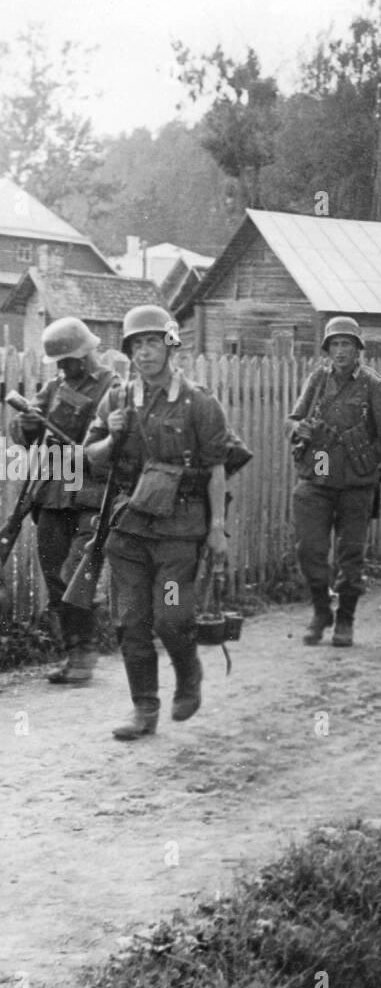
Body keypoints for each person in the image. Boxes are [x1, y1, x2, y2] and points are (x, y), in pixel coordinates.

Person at [83, 305, 232, 740]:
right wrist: (111, 436)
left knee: (170, 616)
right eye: (137, 345)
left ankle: (188, 676)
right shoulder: (117, 398)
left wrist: (217, 526)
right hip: (129, 531)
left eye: (152, 343)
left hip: (178, 532)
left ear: (169, 347)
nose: (145, 353)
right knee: (130, 621)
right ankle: (143, 709)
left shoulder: (199, 402)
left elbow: (218, 468)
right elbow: (90, 457)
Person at [8, 318, 116, 685]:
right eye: (61, 362)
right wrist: (29, 423)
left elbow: (113, 441)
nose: (64, 368)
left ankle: (86, 650)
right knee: (54, 575)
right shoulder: (55, 386)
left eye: (69, 361)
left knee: (77, 573)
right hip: (52, 494)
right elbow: (24, 436)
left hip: (91, 496)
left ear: (86, 354)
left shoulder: (112, 387)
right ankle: (73, 652)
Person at [287, 316, 381, 647]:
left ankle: (346, 619)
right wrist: (298, 429)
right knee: (310, 548)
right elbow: (293, 418)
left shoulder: (373, 385)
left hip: (356, 480)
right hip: (317, 474)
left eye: (346, 345)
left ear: (357, 350)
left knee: (350, 554)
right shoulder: (318, 380)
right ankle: (321, 610)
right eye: (335, 345)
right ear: (327, 349)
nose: (340, 351)